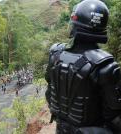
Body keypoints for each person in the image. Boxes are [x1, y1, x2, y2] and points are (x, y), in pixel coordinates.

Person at [45, 0, 121, 134]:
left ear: (75, 23)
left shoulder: (55, 54)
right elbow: (114, 114)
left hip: (61, 129)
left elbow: (49, 93)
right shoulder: (106, 65)